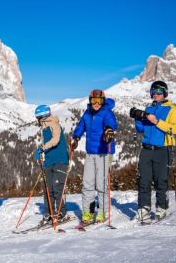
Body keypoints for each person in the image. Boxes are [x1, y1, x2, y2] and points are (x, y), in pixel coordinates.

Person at [130, 80, 176, 224]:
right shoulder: (149, 108)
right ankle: (144, 208)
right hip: (146, 149)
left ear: (164, 92)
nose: (156, 94)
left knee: (161, 180)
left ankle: (161, 207)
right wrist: (137, 118)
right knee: (144, 180)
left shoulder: (172, 109)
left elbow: (175, 129)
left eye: (159, 91)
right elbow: (140, 129)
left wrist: (157, 121)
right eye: (153, 91)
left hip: (163, 149)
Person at [70, 90, 117, 225]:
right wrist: (76, 137)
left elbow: (112, 123)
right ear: (90, 101)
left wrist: (109, 130)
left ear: (103, 101)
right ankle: (88, 212)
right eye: (94, 101)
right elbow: (81, 127)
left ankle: (102, 211)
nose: (96, 104)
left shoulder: (107, 112)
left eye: (99, 101)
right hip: (90, 153)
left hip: (104, 152)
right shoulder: (87, 113)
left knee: (101, 184)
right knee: (87, 183)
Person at [34, 104, 70, 226]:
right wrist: (41, 153)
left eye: (37, 118)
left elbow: (55, 140)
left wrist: (42, 148)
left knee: (57, 188)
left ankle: (62, 213)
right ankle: (50, 214)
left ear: (42, 117)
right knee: (47, 189)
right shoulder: (44, 128)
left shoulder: (54, 124)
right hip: (49, 162)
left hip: (60, 160)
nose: (37, 120)